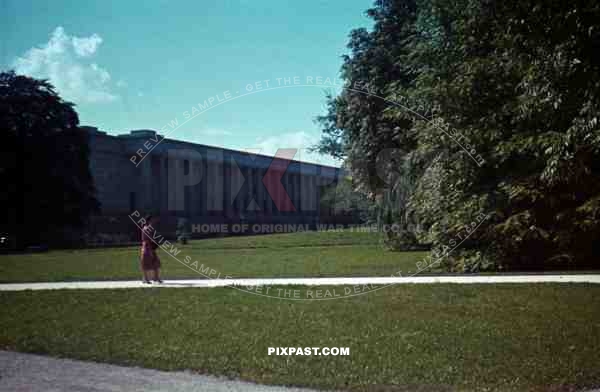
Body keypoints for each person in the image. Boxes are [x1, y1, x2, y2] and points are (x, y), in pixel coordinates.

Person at [140, 215, 162, 283]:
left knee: (156, 263)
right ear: (149, 221)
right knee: (146, 264)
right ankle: (145, 279)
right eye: (152, 220)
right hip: (147, 248)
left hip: (150, 247)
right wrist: (152, 247)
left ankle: (156, 278)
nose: (154, 221)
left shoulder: (149, 228)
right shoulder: (147, 228)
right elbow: (148, 240)